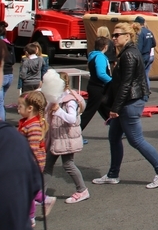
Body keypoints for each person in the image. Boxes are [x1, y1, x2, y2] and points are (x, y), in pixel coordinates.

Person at [93, 22, 158, 189]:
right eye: (113, 35)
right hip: (126, 101)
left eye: (117, 35)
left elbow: (126, 84)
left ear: (127, 36)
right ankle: (113, 174)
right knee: (114, 137)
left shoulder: (129, 55)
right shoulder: (126, 52)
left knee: (135, 140)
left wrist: (115, 108)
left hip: (131, 102)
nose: (113, 38)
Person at [44, 72, 89, 204]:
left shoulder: (69, 100)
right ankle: (40, 194)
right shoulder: (57, 97)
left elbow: (71, 118)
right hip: (58, 137)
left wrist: (58, 110)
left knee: (68, 164)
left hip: (67, 138)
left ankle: (82, 190)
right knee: (48, 165)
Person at [16, 90, 54, 223]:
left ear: (30, 108)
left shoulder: (33, 127)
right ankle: (45, 200)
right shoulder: (28, 123)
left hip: (32, 164)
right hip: (28, 163)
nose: (17, 108)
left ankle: (31, 217)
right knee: (29, 189)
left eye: (20, 106)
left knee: (28, 192)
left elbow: (32, 149)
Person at [80, 37, 113, 132]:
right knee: (89, 112)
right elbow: (101, 73)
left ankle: (117, 128)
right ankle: (76, 132)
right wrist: (112, 81)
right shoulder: (100, 57)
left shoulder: (93, 55)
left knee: (106, 109)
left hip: (96, 86)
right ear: (106, 47)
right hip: (98, 88)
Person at [134, 16, 156, 91]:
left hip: (142, 56)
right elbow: (154, 44)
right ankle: (147, 89)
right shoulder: (149, 31)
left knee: (140, 75)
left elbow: (139, 47)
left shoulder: (139, 33)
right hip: (149, 55)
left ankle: (143, 91)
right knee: (145, 74)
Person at [0, 23, 14, 121]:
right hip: (10, 74)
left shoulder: (1, 44)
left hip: (3, 74)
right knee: (1, 101)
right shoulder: (9, 43)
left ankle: (2, 124)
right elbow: (13, 60)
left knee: (0, 102)